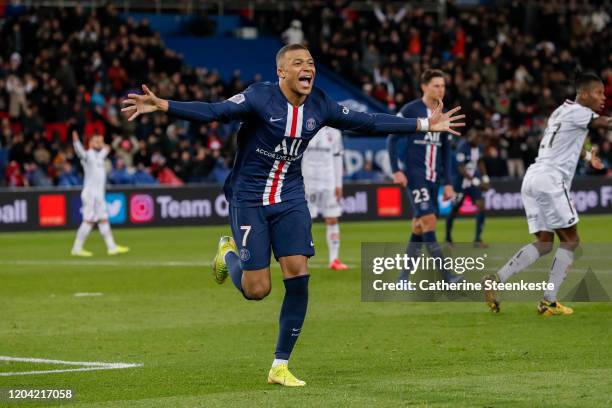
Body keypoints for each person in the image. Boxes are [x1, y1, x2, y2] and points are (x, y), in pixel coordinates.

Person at [121, 44, 465, 386]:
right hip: (249, 197)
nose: (308, 68)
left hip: (290, 196)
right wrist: (164, 104)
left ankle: (280, 365)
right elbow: (214, 111)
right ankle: (228, 253)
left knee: (298, 273)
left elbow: (369, 122)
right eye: (298, 63)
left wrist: (424, 124)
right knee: (257, 290)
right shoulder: (259, 98)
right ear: (281, 72)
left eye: (311, 63)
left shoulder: (321, 104)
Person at [483, 72, 609, 316]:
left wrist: (587, 156)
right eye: (598, 92)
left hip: (533, 177)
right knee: (571, 240)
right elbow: (604, 124)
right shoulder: (581, 112)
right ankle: (548, 300)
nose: (603, 97)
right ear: (583, 94)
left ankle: (496, 279)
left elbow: (564, 141)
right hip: (551, 179)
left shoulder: (562, 111)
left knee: (544, 243)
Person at [388, 69, 462, 283]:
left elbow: (447, 151)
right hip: (415, 175)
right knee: (429, 221)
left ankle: (402, 278)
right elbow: (392, 137)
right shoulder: (411, 110)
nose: (441, 89)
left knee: (419, 226)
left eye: (443, 86)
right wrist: (396, 169)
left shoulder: (444, 113)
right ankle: (447, 276)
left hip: (434, 178)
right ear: (424, 87)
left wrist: (448, 183)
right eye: (436, 85)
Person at [71, 132, 129, 257]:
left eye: (101, 141)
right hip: (90, 194)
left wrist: (104, 144)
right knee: (89, 221)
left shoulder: (100, 156)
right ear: (90, 143)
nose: (100, 143)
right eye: (96, 141)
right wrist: (76, 142)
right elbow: (80, 153)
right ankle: (76, 248)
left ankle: (111, 247)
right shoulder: (89, 156)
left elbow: (107, 148)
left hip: (99, 195)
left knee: (103, 219)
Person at [302, 126, 348, 270]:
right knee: (303, 221)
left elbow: (338, 158)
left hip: (328, 181)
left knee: (332, 218)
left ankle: (334, 259)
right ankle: (301, 258)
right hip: (307, 182)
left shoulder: (335, 132)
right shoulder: (304, 126)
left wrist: (339, 184)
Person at [445, 129, 491, 247]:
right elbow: (461, 169)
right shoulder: (462, 147)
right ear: (469, 137)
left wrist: (485, 179)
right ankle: (448, 239)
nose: (479, 140)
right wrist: (477, 182)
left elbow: (480, 163)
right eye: (476, 137)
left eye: (480, 138)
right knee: (455, 210)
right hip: (460, 184)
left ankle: (477, 239)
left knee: (481, 206)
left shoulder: (479, 147)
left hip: (472, 184)